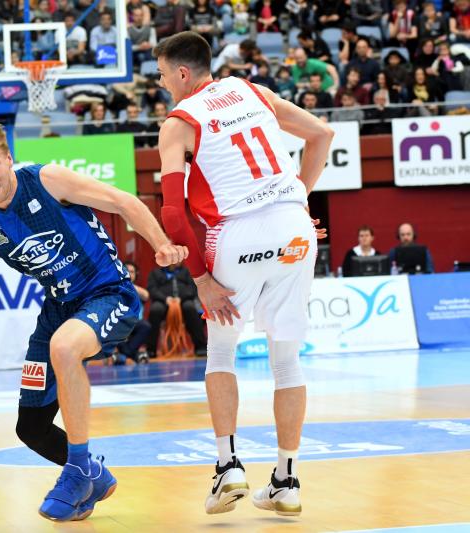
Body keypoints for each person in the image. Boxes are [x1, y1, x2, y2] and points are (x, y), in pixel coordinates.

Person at [0, 124, 186, 522]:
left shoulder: (48, 180)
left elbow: (122, 201)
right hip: (58, 310)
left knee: (65, 348)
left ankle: (77, 469)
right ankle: (94, 476)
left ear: (8, 158)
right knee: (31, 428)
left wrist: (160, 242)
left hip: (108, 293)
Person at [153, 31, 332, 516]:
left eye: (163, 73)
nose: (162, 82)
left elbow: (172, 214)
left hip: (236, 233)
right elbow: (322, 134)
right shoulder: (254, 91)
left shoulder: (178, 122)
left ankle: (228, 466)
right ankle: (287, 479)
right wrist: (297, 200)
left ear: (183, 74)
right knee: (287, 361)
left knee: (222, 356)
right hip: (295, 229)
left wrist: (201, 279)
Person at [146, 263, 207, 357]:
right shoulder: (155, 273)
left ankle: (201, 346)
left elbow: (193, 288)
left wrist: (181, 298)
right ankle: (151, 349)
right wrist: (166, 299)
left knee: (190, 308)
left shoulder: (187, 272)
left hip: (183, 301)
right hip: (163, 302)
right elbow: (152, 289)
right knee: (155, 310)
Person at [114, 261, 151, 364]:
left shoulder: (137, 290)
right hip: (119, 322)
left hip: (135, 322)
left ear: (136, 274)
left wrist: (128, 284)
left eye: (132, 272)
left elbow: (146, 295)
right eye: (127, 271)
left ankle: (123, 355)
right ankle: (134, 355)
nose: (129, 274)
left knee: (146, 326)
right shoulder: (116, 287)